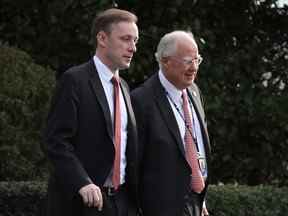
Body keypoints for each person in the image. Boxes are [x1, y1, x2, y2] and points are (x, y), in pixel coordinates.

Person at [42, 8, 139, 216]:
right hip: (82, 205)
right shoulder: (74, 80)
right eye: (126, 39)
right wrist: (82, 182)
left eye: (135, 41)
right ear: (102, 38)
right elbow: (56, 140)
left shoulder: (123, 87)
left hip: (122, 204)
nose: (133, 48)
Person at [131, 31, 211, 216]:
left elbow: (196, 148)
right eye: (187, 60)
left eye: (197, 60)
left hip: (196, 204)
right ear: (165, 61)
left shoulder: (194, 92)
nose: (194, 68)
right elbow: (134, 165)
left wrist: (201, 200)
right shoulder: (141, 100)